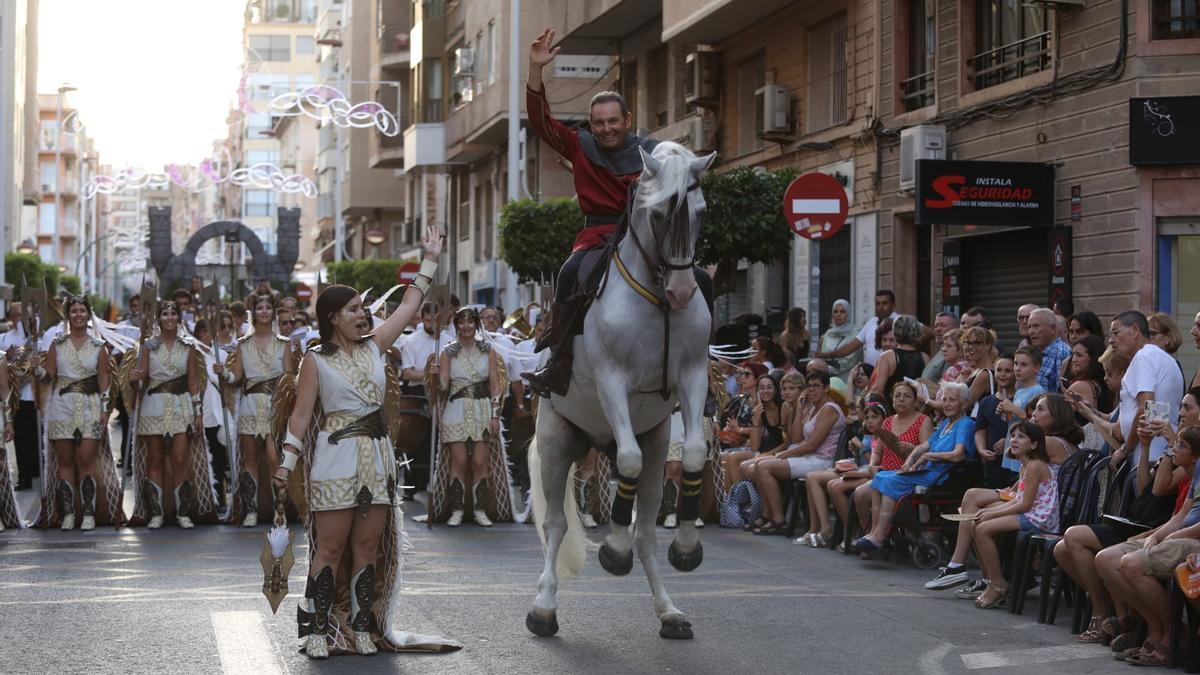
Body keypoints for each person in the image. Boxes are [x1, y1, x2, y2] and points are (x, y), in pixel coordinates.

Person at [274, 224, 460, 658]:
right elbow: (301, 416)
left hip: (377, 460)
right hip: (334, 459)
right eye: (354, 309)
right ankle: (318, 630)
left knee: (367, 549)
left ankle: (361, 628)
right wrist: (286, 463)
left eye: (363, 308)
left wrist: (429, 257)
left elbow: (411, 302)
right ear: (333, 318)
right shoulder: (315, 360)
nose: (364, 314)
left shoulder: (377, 346)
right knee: (331, 548)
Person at [521, 28, 712, 397]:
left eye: (613, 121)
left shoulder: (654, 152)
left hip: (649, 236)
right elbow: (542, 121)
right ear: (591, 124)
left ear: (627, 119)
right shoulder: (580, 145)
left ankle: (701, 367)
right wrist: (535, 70)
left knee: (700, 279)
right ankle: (559, 362)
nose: (606, 129)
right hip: (598, 235)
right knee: (570, 272)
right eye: (598, 123)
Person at [1056, 418, 1193, 645]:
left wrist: (1171, 445)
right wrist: (1146, 445)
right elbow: (1144, 489)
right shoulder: (1179, 456)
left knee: (1074, 537)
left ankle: (1112, 617)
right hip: (1142, 522)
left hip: (1156, 525)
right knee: (1062, 550)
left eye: (1188, 408)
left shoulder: (1188, 462)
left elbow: (1161, 491)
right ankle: (1114, 612)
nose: (1180, 415)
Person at [1093, 426, 1200, 666]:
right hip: (1180, 533)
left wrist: (1171, 536)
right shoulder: (1196, 472)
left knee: (1131, 564)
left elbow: (1163, 495)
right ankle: (1157, 627)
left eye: (1180, 446)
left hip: (1192, 540)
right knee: (1105, 559)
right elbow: (1181, 514)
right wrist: (1156, 536)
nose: (1173, 449)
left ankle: (1173, 633)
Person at [930, 421, 1057, 609]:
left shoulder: (1035, 466)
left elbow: (1024, 505)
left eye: (1021, 437)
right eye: (1013, 435)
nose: (1014, 440)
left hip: (1039, 519)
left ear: (1034, 444)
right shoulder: (1025, 465)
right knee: (977, 523)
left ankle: (998, 584)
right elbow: (1016, 499)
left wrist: (991, 515)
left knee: (982, 529)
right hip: (1029, 513)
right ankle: (993, 581)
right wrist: (989, 511)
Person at [33, 296, 124, 530]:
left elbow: (104, 381)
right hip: (61, 406)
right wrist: (37, 369)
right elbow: (49, 375)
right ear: (68, 315)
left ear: (88, 314)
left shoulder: (98, 346)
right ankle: (69, 513)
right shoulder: (58, 343)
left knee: (85, 458)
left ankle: (89, 513)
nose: (78, 315)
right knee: (65, 460)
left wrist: (106, 410)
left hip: (90, 406)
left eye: (82, 311)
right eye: (73, 311)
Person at [852, 382, 974, 553]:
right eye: (944, 399)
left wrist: (928, 456)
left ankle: (880, 536)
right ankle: (873, 532)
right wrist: (909, 461)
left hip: (942, 475)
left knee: (892, 481)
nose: (946, 404)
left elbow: (958, 454)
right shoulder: (946, 423)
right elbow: (923, 446)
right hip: (928, 471)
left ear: (964, 404)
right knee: (880, 477)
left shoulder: (965, 423)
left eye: (952, 400)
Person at [129, 300, 214, 530]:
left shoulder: (188, 346)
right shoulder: (148, 346)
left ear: (179, 318)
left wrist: (198, 413)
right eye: (164, 314)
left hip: (181, 405)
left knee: (180, 458)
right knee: (155, 459)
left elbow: (194, 381)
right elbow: (142, 378)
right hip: (153, 405)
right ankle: (156, 513)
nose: (169, 317)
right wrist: (135, 378)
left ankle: (182, 512)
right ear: (159, 318)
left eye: (173, 313)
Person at [214, 294, 297, 528]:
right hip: (250, 405)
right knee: (250, 460)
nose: (263, 311)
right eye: (259, 307)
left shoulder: (283, 343)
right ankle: (250, 510)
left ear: (273, 312)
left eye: (267, 307)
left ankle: (278, 511)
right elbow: (237, 376)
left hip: (274, 407)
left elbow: (289, 377)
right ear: (254, 312)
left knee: (273, 457)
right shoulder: (243, 344)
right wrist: (224, 373)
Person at [744, 371, 847, 535]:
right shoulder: (814, 408)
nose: (811, 390)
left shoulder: (829, 409)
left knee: (764, 467)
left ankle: (778, 519)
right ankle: (769, 514)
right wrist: (799, 408)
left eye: (816, 386)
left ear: (826, 388)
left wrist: (784, 455)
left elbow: (812, 445)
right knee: (759, 465)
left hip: (822, 460)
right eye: (809, 386)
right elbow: (797, 437)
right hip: (808, 456)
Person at [434, 307, 506, 528]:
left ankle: (480, 510)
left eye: (470, 322)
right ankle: (456, 511)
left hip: (482, 409)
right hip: (456, 408)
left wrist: (495, 415)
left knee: (479, 461)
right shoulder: (447, 352)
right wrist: (435, 379)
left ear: (476, 324)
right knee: (460, 461)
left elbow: (494, 385)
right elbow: (444, 385)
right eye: (462, 322)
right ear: (456, 325)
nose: (466, 326)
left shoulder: (488, 351)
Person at [851, 381, 933, 536]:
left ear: (915, 401)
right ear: (892, 400)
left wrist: (910, 448)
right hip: (885, 473)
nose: (901, 399)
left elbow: (927, 453)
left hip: (907, 475)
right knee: (860, 493)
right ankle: (868, 531)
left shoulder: (923, 421)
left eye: (907, 396)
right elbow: (878, 452)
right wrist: (873, 463)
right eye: (898, 396)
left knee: (878, 491)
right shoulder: (888, 421)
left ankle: (879, 534)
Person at [1109, 310, 1185, 467]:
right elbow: (1156, 408)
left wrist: (1125, 449)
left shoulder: (1143, 357)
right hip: (1160, 451)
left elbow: (1147, 407)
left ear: (1135, 330)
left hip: (1148, 456)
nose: (1111, 340)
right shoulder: (1163, 357)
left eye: (1116, 332)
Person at [721, 371, 784, 490]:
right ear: (758, 391)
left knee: (734, 458)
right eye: (762, 388)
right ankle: (733, 501)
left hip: (777, 451)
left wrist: (770, 453)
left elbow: (787, 442)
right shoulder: (759, 411)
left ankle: (741, 500)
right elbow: (755, 447)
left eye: (769, 387)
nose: (765, 391)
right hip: (762, 451)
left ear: (776, 390)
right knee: (730, 457)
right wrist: (756, 422)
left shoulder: (783, 409)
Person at [1, 302, 39, 491]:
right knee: (22, 439)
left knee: (39, 438)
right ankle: (24, 476)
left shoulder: (39, 336)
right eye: (18, 315)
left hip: (39, 396)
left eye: (27, 315)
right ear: (11, 317)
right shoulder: (4, 338)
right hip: (19, 398)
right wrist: (8, 357)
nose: (23, 318)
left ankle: (39, 471)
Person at [816, 290, 898, 368]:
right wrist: (827, 355)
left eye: (885, 303)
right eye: (877, 303)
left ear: (893, 305)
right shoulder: (871, 323)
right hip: (870, 374)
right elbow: (850, 347)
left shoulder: (899, 322)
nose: (880, 307)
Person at [996, 346, 1046, 474]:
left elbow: (1035, 423)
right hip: (1013, 446)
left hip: (1025, 450)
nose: (1017, 368)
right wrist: (1006, 412)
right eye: (1016, 363)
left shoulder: (1038, 391)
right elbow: (1013, 421)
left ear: (1036, 368)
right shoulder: (1020, 391)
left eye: (1023, 365)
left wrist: (1014, 409)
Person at [870, 315, 928, 399]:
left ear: (895, 332)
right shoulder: (925, 357)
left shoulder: (887, 357)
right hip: (916, 409)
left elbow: (878, 390)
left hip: (892, 409)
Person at [1026, 308, 1070, 393]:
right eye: (1029, 327)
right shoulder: (1036, 352)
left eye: (1036, 326)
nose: (1031, 332)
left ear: (1053, 329)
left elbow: (1062, 394)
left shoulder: (1060, 353)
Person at [921, 312, 959, 382]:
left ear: (955, 328)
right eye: (936, 326)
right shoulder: (940, 352)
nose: (938, 329)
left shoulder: (952, 354)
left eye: (943, 325)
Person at [1148, 311, 1186, 380]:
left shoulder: (1172, 366)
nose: (1147, 339)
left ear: (1168, 337)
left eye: (1152, 334)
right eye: (1145, 334)